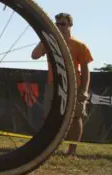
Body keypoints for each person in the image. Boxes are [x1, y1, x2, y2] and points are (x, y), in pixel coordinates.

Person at [31, 12, 93, 156]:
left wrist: (84, 90)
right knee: (50, 117)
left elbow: (85, 71)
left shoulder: (80, 45)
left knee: (76, 117)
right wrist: (46, 38)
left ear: (70, 25)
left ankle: (72, 151)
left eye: (63, 24)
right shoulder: (51, 42)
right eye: (56, 24)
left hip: (74, 86)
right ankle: (50, 148)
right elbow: (34, 56)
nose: (59, 27)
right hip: (53, 85)